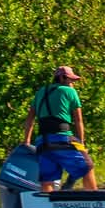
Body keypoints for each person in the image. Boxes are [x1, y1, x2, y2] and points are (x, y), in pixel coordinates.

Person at [22, 64, 98, 192]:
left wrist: (26, 142)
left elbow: (30, 120)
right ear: (62, 78)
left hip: (42, 142)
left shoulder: (41, 92)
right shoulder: (69, 91)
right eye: (70, 80)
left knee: (47, 178)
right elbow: (78, 120)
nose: (72, 83)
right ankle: (96, 201)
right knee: (87, 166)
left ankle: (45, 207)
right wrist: (82, 143)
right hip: (62, 138)